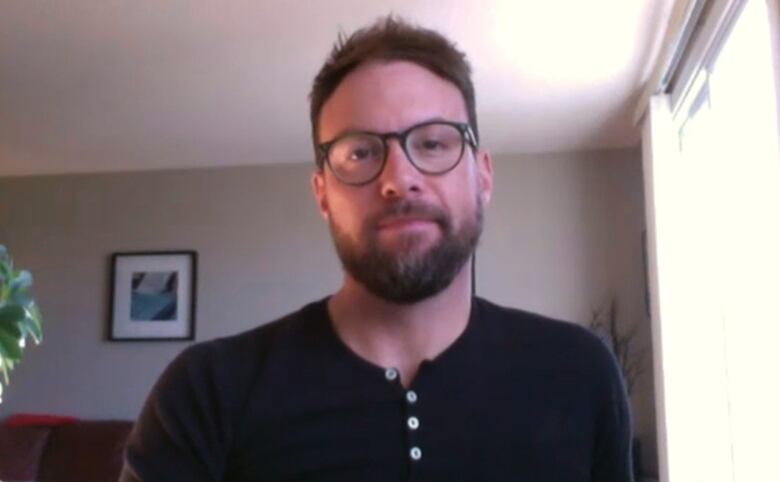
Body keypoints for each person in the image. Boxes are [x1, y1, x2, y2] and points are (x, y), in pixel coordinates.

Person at [120, 16, 633, 482]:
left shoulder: (580, 373)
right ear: (323, 193)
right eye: (361, 152)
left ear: (483, 175)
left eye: (433, 143)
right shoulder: (207, 391)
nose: (400, 179)